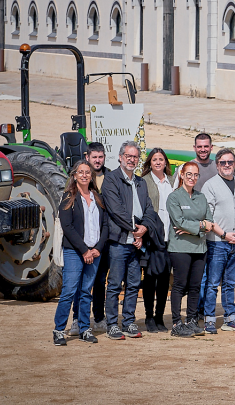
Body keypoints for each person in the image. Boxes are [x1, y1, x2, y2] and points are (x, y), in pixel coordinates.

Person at [102, 141, 160, 340]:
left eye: (135, 157)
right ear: (120, 157)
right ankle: (112, 324)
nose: (131, 159)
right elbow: (116, 211)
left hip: (137, 243)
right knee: (115, 284)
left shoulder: (141, 182)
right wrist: (136, 230)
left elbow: (150, 210)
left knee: (134, 284)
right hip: (119, 241)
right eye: (128, 156)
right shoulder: (111, 180)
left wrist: (144, 229)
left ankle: (128, 322)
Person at [53, 160, 107, 346]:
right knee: (69, 291)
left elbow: (105, 225)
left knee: (86, 292)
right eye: (80, 172)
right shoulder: (68, 197)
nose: (84, 175)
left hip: (94, 252)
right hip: (75, 252)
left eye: (87, 172)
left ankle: (85, 328)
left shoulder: (97, 197)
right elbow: (67, 227)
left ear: (92, 176)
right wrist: (84, 250)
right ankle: (59, 330)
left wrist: (97, 248)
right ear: (74, 175)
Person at [202, 148, 235, 333]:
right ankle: (209, 319)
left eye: (230, 162)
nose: (227, 165)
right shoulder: (210, 185)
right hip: (217, 241)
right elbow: (207, 216)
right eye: (223, 162)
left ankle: (230, 318)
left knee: (230, 283)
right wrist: (224, 234)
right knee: (213, 283)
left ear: (234, 163)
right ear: (217, 165)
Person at [166, 161, 217, 337]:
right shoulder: (174, 197)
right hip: (180, 248)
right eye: (189, 174)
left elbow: (210, 223)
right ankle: (176, 323)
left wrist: (194, 226)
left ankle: (192, 320)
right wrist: (200, 225)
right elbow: (178, 222)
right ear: (181, 175)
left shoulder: (201, 197)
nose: (192, 178)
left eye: (195, 175)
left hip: (199, 248)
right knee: (180, 285)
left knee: (195, 286)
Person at [140, 148, 173, 333]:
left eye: (161, 159)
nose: (158, 162)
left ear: (165, 162)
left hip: (170, 237)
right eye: (155, 159)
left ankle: (160, 316)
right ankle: (149, 316)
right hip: (153, 237)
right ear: (150, 163)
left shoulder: (173, 181)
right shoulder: (144, 182)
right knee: (151, 278)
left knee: (164, 280)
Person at [85, 141, 110, 335]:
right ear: (87, 157)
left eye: (100, 157)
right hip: (85, 239)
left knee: (100, 280)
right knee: (82, 282)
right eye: (94, 157)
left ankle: (99, 317)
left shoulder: (111, 177)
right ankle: (79, 319)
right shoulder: (82, 177)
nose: (98, 160)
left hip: (105, 238)